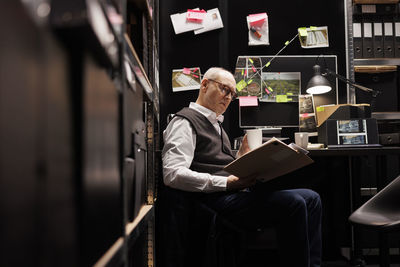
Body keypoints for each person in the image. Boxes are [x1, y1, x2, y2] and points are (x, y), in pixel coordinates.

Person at [161, 67, 322, 267]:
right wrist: (227, 183)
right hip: (213, 199)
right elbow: (172, 174)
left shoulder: (215, 124)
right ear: (204, 85)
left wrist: (243, 158)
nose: (228, 97)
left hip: (232, 193)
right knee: (294, 203)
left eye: (232, 94)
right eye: (224, 89)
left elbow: (216, 163)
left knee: (312, 198)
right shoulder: (184, 122)